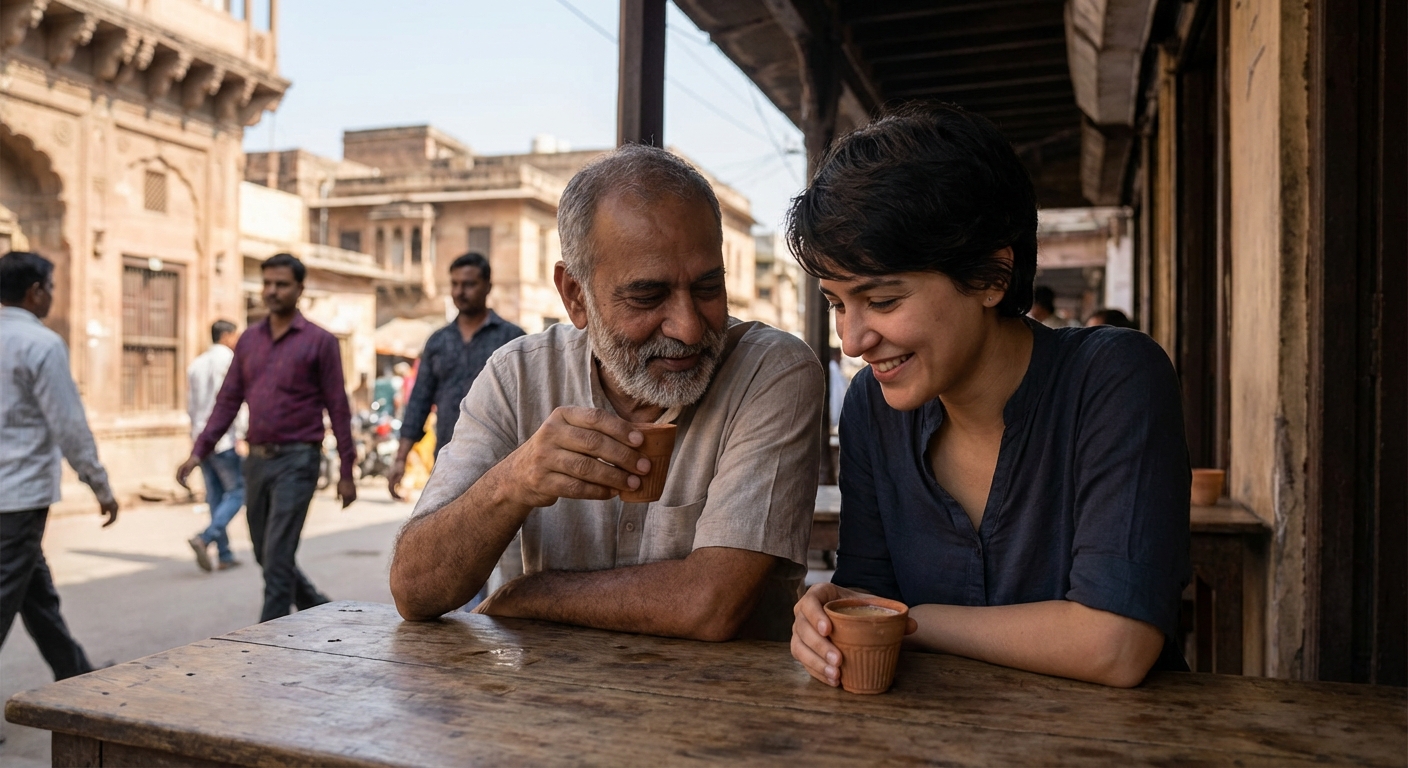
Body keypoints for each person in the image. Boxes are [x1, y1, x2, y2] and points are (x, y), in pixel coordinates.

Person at [786, 104, 1190, 688]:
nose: (852, 341)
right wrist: (825, 621)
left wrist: (912, 623)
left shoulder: (1115, 379)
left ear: (991, 277)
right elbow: (866, 601)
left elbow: (1116, 643)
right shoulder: (873, 409)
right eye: (836, 303)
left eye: (882, 300)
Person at [390, 145, 823, 641]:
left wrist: (528, 595)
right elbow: (414, 589)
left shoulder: (772, 372)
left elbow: (710, 604)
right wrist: (514, 481)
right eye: (647, 296)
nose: (686, 327)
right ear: (576, 296)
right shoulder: (517, 376)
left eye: (708, 288)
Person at [176, 253, 358, 623]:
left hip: (299, 459)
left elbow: (337, 407)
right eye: (268, 284)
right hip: (256, 460)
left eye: (282, 284)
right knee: (265, 553)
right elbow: (228, 401)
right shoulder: (248, 342)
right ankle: (319, 606)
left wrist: (346, 471)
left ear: (299, 289)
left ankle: (268, 641)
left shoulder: (319, 342)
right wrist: (199, 452)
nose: (273, 291)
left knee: (276, 558)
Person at [0, 251, 118, 684]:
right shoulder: (42, 344)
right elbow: (68, 425)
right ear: (35, 292)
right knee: (8, 594)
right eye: (50, 287)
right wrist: (99, 485)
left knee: (36, 593)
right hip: (19, 494)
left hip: (11, 495)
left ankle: (75, 674)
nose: (51, 296)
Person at [389, 251, 525, 499]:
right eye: (455, 284)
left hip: (501, 459)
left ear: (487, 287)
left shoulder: (511, 338)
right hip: (447, 458)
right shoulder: (438, 341)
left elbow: (528, 403)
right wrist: (400, 458)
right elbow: (419, 400)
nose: (460, 292)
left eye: (469, 284)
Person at [186, 319, 248, 572]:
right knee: (237, 492)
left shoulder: (196, 364)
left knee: (215, 496)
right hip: (223, 439)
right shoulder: (227, 361)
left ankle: (223, 553)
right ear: (227, 336)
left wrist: (196, 441)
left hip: (202, 438)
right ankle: (207, 536)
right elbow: (232, 401)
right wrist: (242, 434)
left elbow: (191, 407)